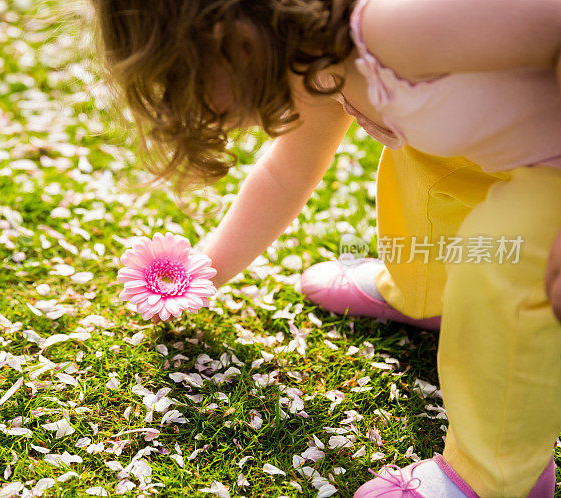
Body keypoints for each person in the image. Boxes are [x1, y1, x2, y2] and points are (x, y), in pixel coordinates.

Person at [91, 0, 561, 495]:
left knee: (503, 266)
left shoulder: (396, 25)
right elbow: (287, 169)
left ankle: (495, 477)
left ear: (234, 40)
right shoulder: (314, 61)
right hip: (506, 151)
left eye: (188, 85)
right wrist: (204, 269)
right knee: (423, 167)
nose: (203, 114)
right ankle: (427, 293)